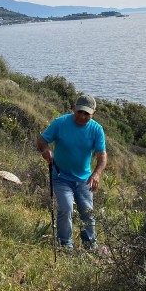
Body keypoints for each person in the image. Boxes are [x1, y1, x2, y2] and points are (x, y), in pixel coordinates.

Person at [37, 94, 107, 250]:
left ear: (93, 114)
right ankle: (65, 245)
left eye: (87, 114)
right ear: (74, 109)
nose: (82, 116)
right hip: (61, 176)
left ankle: (90, 245)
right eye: (79, 112)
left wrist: (96, 174)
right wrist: (46, 150)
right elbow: (42, 141)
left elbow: (102, 155)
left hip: (84, 180)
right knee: (66, 208)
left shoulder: (97, 129)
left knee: (87, 213)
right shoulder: (60, 123)